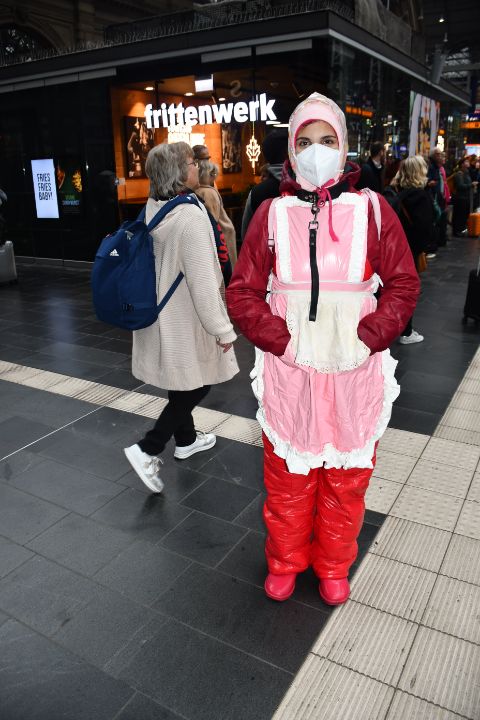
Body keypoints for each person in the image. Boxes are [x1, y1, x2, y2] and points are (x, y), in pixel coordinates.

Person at [226, 93, 419, 606]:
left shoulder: (374, 211)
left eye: (327, 141)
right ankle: (286, 560)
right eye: (305, 142)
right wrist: (280, 339)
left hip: (355, 367)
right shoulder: (270, 213)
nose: (317, 151)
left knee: (346, 476)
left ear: (345, 146)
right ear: (291, 150)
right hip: (292, 368)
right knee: (288, 475)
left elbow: (403, 283)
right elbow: (243, 291)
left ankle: (334, 563)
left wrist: (370, 335)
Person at [124, 142, 239, 493]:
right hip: (185, 316)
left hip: (161, 314)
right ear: (179, 172)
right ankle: (149, 447)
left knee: (183, 378)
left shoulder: (155, 206)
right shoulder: (189, 214)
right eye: (192, 163)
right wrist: (223, 330)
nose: (197, 167)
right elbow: (203, 281)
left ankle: (186, 440)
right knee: (200, 382)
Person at [392, 156, 434, 345]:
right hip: (410, 250)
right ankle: (406, 332)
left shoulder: (396, 192)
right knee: (407, 291)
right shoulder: (421, 196)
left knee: (391, 289)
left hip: (392, 249)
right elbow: (424, 228)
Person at [241, 128, 288, 240]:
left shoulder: (257, 193)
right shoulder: (308, 186)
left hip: (266, 255)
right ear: (289, 151)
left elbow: (247, 236)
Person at [196, 160, 238, 267]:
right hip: (223, 237)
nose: (215, 177)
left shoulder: (198, 190)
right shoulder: (209, 192)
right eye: (213, 174)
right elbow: (213, 220)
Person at [427, 147, 447, 249]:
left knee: (439, 218)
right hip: (432, 196)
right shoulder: (430, 166)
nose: (440, 157)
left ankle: (437, 241)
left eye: (440, 154)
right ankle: (432, 243)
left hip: (437, 195)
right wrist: (429, 183)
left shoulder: (437, 167)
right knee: (435, 218)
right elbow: (428, 180)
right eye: (438, 154)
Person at [452, 158, 473, 237]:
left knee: (463, 215)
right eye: (466, 161)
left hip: (465, 198)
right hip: (460, 198)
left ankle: (461, 230)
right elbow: (460, 186)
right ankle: (457, 231)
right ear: (462, 164)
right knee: (459, 215)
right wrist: (471, 185)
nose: (468, 162)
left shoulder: (466, 173)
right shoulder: (459, 174)